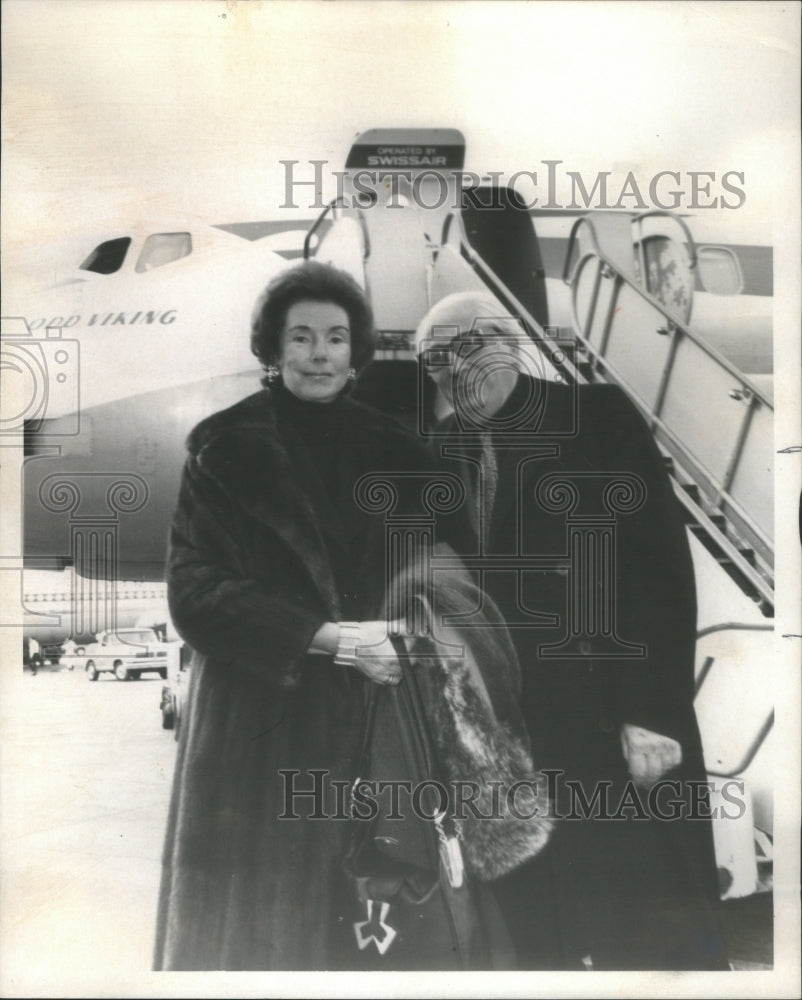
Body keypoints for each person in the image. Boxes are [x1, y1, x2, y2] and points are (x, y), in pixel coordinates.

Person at [153, 263, 519, 970]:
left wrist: (417, 632)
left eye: (335, 338)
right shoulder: (223, 448)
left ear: (356, 354)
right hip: (255, 734)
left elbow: (457, 576)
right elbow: (194, 594)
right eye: (302, 337)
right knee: (255, 944)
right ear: (273, 348)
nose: (319, 353)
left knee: (379, 933)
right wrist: (332, 640)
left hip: (378, 725)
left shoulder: (400, 451)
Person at [414, 291, 728, 971]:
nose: (451, 367)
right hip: (516, 738)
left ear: (510, 344)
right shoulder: (439, 449)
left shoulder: (595, 417)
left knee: (653, 938)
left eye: (468, 345)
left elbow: (657, 573)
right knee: (542, 943)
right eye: (434, 358)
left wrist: (650, 712)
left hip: (611, 721)